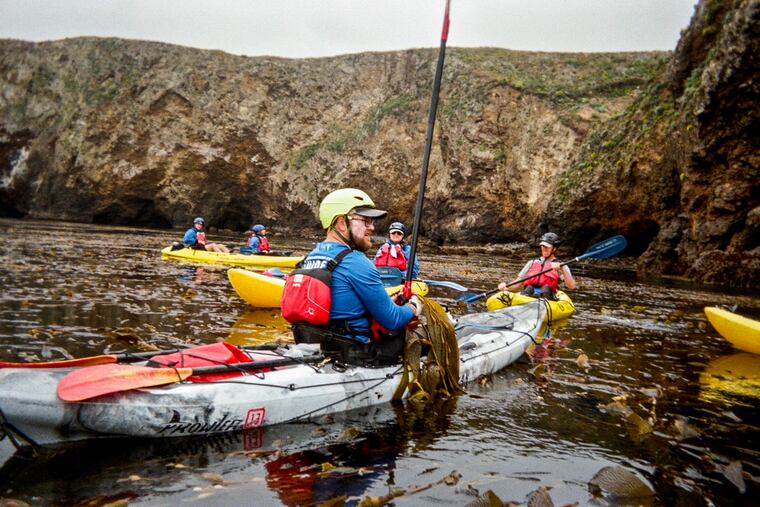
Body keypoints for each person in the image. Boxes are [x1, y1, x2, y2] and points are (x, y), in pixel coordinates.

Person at [285, 188, 421, 365]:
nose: (372, 227)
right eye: (366, 220)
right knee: (422, 333)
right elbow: (393, 319)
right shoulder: (357, 262)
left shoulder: (309, 258)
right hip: (354, 354)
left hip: (316, 347)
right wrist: (413, 307)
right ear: (342, 223)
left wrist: (389, 300)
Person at [497, 232, 576, 300]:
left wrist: (562, 269)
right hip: (529, 294)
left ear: (554, 249)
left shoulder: (560, 265)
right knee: (529, 288)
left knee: (546, 288)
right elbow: (518, 283)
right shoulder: (532, 263)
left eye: (547, 247)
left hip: (548, 296)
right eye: (542, 246)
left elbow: (571, 286)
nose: (544, 248)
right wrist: (506, 286)